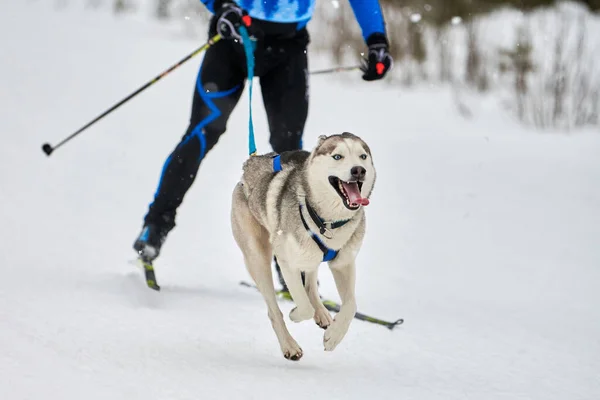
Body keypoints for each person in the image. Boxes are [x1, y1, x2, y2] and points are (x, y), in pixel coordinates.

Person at [133, 0, 393, 289]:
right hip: (232, 39)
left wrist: (377, 40)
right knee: (202, 134)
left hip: (289, 47)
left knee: (288, 150)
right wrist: (221, 6)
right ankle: (156, 224)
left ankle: (290, 258)